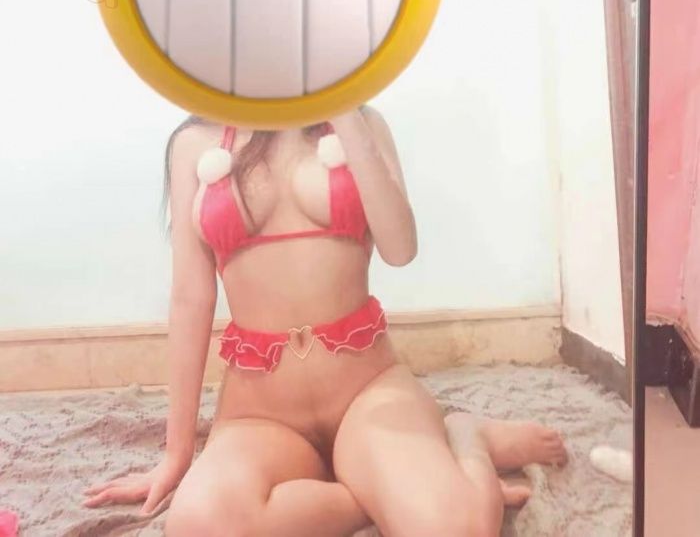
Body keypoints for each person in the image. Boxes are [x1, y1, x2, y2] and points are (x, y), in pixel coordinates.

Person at [84, 108, 566, 536]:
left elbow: (400, 248)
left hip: (367, 393)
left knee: (457, 529)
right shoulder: (195, 141)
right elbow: (191, 298)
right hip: (260, 414)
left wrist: (346, 109)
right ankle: (380, 491)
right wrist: (177, 455)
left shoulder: (363, 122)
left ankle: (465, 436)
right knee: (199, 526)